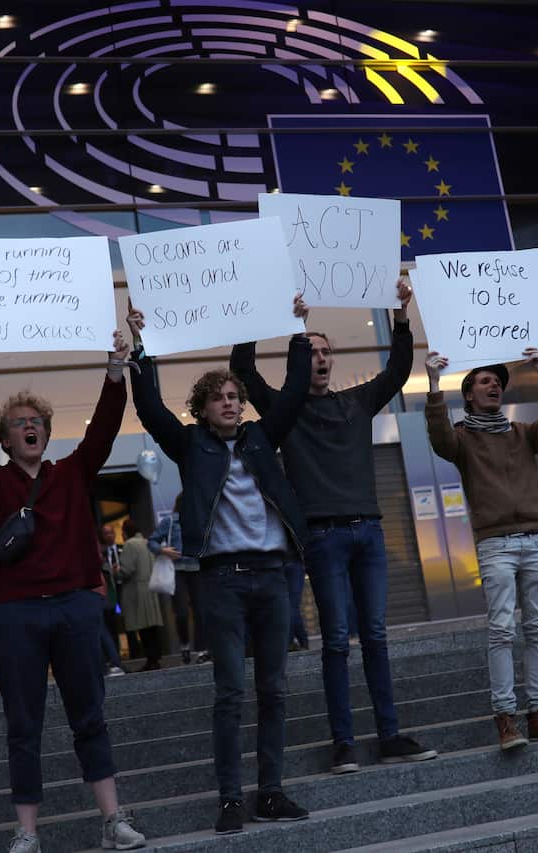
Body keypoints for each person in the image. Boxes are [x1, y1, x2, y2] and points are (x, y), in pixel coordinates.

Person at [0, 328, 145, 853]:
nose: (30, 427)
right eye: (19, 424)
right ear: (3, 438)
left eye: (36, 422)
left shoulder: (72, 472)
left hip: (74, 608)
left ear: (47, 432)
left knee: (89, 717)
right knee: (22, 724)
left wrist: (115, 368)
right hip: (17, 614)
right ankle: (27, 831)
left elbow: (106, 429)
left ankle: (113, 821)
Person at [229, 278, 435, 775]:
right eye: (311, 351)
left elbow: (398, 371)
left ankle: (388, 736)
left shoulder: (356, 402)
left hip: (368, 533)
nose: (319, 358)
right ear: (300, 360)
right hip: (321, 538)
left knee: (377, 635)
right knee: (337, 639)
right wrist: (270, 319)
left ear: (333, 361)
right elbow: (243, 370)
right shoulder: (285, 411)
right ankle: (344, 742)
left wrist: (401, 315)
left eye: (325, 352)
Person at [129, 300, 311, 835]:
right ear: (202, 410)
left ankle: (270, 792)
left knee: (274, 688)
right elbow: (149, 409)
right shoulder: (190, 447)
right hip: (224, 581)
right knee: (231, 692)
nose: (230, 404)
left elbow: (296, 390)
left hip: (275, 577)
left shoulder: (262, 436)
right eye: (219, 399)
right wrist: (140, 349)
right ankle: (232, 798)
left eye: (235, 396)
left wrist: (292, 328)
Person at [425, 347, 538, 749]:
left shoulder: (522, 433)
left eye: (497, 381)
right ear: (470, 394)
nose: (494, 383)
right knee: (501, 630)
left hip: (534, 540)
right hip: (495, 544)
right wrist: (431, 384)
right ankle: (505, 720)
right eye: (484, 380)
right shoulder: (462, 439)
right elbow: (440, 439)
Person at [148, 495, 205, 664]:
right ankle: (185, 646)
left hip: (197, 569)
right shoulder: (171, 521)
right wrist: (163, 550)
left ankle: (202, 650)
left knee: (200, 611)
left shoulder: (200, 519)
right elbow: (151, 542)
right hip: (177, 570)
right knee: (181, 612)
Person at [117, 519, 165, 671]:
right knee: (151, 627)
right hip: (150, 587)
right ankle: (155, 658)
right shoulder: (146, 542)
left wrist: (115, 570)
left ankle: (151, 660)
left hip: (136, 591)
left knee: (143, 627)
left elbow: (126, 570)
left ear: (125, 532)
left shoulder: (130, 544)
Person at [96, 524, 126, 676]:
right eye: (105, 533)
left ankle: (114, 662)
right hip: (103, 595)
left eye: (110, 532)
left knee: (105, 629)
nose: (109, 536)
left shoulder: (98, 551)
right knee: (104, 629)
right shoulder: (100, 550)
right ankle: (112, 661)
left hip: (107, 595)